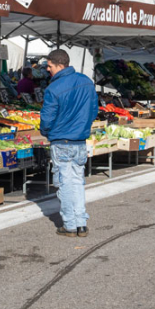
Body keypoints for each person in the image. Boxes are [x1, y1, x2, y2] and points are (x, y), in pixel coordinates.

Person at [40, 49, 98, 238]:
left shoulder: (53, 89)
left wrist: (47, 132)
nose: (48, 70)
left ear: (58, 64)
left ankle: (70, 225)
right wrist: (83, 127)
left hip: (61, 141)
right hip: (80, 141)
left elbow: (47, 118)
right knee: (77, 182)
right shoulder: (86, 82)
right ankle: (81, 223)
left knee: (65, 184)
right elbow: (94, 110)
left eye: (49, 66)